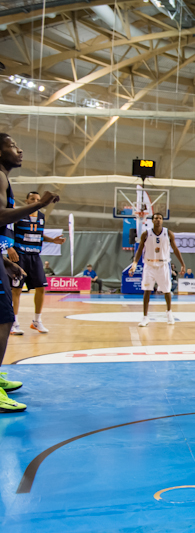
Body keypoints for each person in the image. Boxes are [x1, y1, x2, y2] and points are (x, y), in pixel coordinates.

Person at [0, 133, 60, 412]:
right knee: (4, 318)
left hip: (14, 257)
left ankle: (35, 320)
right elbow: (0, 217)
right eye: (12, 146)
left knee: (6, 315)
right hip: (19, 252)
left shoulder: (4, 179)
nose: (20, 149)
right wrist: (38, 203)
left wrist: (4, 259)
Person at [8, 191, 65, 334]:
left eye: (38, 199)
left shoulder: (41, 216)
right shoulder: (18, 214)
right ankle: (14, 323)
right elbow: (6, 230)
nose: (35, 201)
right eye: (32, 199)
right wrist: (9, 248)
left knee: (41, 288)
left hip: (35, 256)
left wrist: (52, 240)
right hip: (19, 255)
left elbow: (38, 234)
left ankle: (37, 321)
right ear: (26, 201)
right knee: (17, 290)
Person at [129, 213, 187, 327]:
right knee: (147, 290)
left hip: (163, 265)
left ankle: (169, 313)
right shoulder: (146, 234)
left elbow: (175, 249)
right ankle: (145, 317)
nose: (158, 220)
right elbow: (140, 249)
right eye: (156, 218)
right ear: (152, 221)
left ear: (162, 221)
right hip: (149, 265)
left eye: (160, 218)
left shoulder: (168, 233)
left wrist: (183, 264)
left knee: (167, 291)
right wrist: (135, 263)